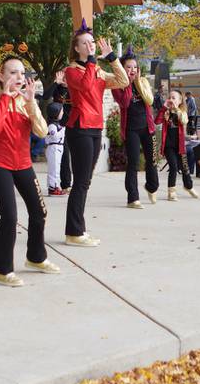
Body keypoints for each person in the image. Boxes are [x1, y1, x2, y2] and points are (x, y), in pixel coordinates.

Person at [0, 55, 58, 286]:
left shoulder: (26, 102)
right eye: (13, 72)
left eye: (22, 73)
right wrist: (6, 96)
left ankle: (36, 257)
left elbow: (43, 132)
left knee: (39, 213)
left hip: (23, 163)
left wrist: (31, 103)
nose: (19, 77)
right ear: (1, 75)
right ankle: (2, 270)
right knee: (10, 217)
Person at [63, 20, 129, 247]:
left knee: (85, 181)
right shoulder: (71, 70)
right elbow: (84, 84)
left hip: (95, 127)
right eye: (86, 43)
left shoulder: (98, 70)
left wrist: (111, 58)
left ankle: (77, 229)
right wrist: (92, 61)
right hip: (79, 128)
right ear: (77, 48)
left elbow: (123, 81)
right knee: (80, 181)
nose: (91, 46)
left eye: (92, 42)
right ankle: (74, 232)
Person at [112, 49, 159, 208]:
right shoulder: (117, 85)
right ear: (122, 69)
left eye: (134, 67)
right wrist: (127, 83)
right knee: (133, 163)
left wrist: (137, 82)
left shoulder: (143, 81)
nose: (132, 70)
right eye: (128, 67)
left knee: (152, 161)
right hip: (131, 129)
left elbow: (150, 100)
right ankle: (133, 198)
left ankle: (151, 187)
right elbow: (124, 103)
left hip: (148, 128)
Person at [158, 90, 200, 198]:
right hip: (168, 146)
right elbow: (156, 121)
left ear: (180, 101)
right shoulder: (166, 112)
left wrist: (176, 109)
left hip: (180, 146)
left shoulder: (182, 112)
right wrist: (163, 108)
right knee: (173, 166)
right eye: (170, 97)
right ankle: (171, 191)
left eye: (174, 98)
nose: (171, 100)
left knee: (185, 168)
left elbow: (184, 120)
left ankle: (189, 187)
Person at [42, 70, 72, 192]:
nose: (65, 79)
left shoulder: (74, 88)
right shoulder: (57, 88)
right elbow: (45, 96)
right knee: (62, 154)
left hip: (71, 123)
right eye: (63, 76)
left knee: (69, 154)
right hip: (58, 125)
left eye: (67, 77)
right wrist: (55, 82)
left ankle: (67, 183)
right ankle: (63, 184)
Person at [45, 102, 66, 196]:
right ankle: (53, 187)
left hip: (58, 147)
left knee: (57, 168)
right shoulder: (52, 126)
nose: (62, 113)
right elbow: (55, 137)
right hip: (54, 147)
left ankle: (56, 186)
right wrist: (62, 131)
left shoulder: (57, 125)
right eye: (61, 111)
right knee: (54, 168)